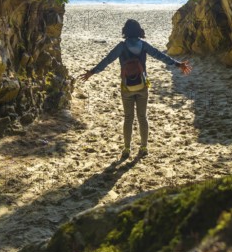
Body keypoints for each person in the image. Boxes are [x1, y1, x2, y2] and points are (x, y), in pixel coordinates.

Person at [78, 19, 192, 159]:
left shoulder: (121, 46)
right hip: (142, 85)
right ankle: (143, 147)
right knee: (142, 117)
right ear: (139, 31)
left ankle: (126, 149)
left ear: (125, 31)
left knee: (128, 118)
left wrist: (92, 72)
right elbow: (160, 56)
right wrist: (177, 64)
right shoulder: (144, 45)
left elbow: (107, 60)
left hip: (126, 87)